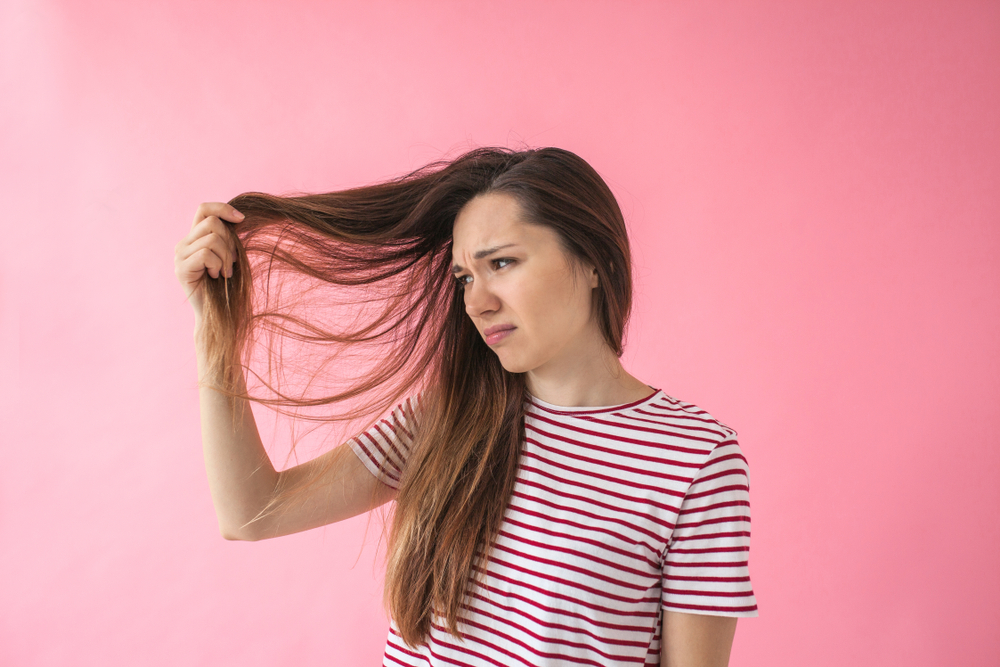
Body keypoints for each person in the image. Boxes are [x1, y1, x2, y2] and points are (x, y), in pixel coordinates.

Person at [173, 146, 758, 666]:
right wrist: (214, 330)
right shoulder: (446, 420)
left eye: (501, 263)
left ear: (592, 261)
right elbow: (252, 512)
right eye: (463, 278)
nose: (476, 301)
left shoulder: (696, 459)